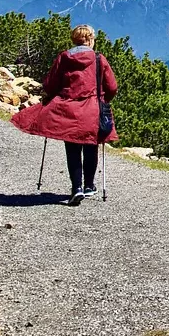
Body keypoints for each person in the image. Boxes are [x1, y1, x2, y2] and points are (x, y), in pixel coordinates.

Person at [12, 24, 119, 206]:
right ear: (91, 39)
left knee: (73, 149)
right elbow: (112, 87)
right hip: (92, 110)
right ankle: (89, 186)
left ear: (74, 39)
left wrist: (52, 99)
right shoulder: (99, 59)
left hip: (68, 109)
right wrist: (103, 100)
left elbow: (50, 84)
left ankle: (76, 188)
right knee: (91, 146)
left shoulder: (64, 57)